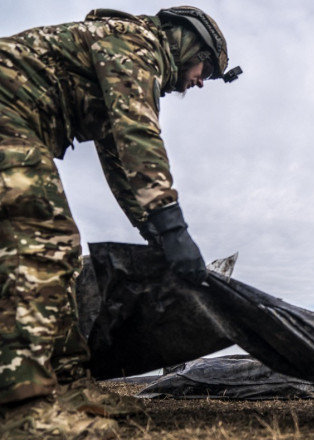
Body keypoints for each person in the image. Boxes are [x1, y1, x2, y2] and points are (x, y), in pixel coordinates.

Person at [0, 6, 241, 437]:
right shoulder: (135, 43)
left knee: (62, 256)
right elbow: (138, 135)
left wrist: (154, 233)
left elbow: (120, 162)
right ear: (188, 43)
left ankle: (71, 388)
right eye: (206, 66)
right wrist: (172, 226)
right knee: (42, 244)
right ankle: (25, 409)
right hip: (8, 111)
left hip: (17, 119)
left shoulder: (126, 57)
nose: (201, 80)